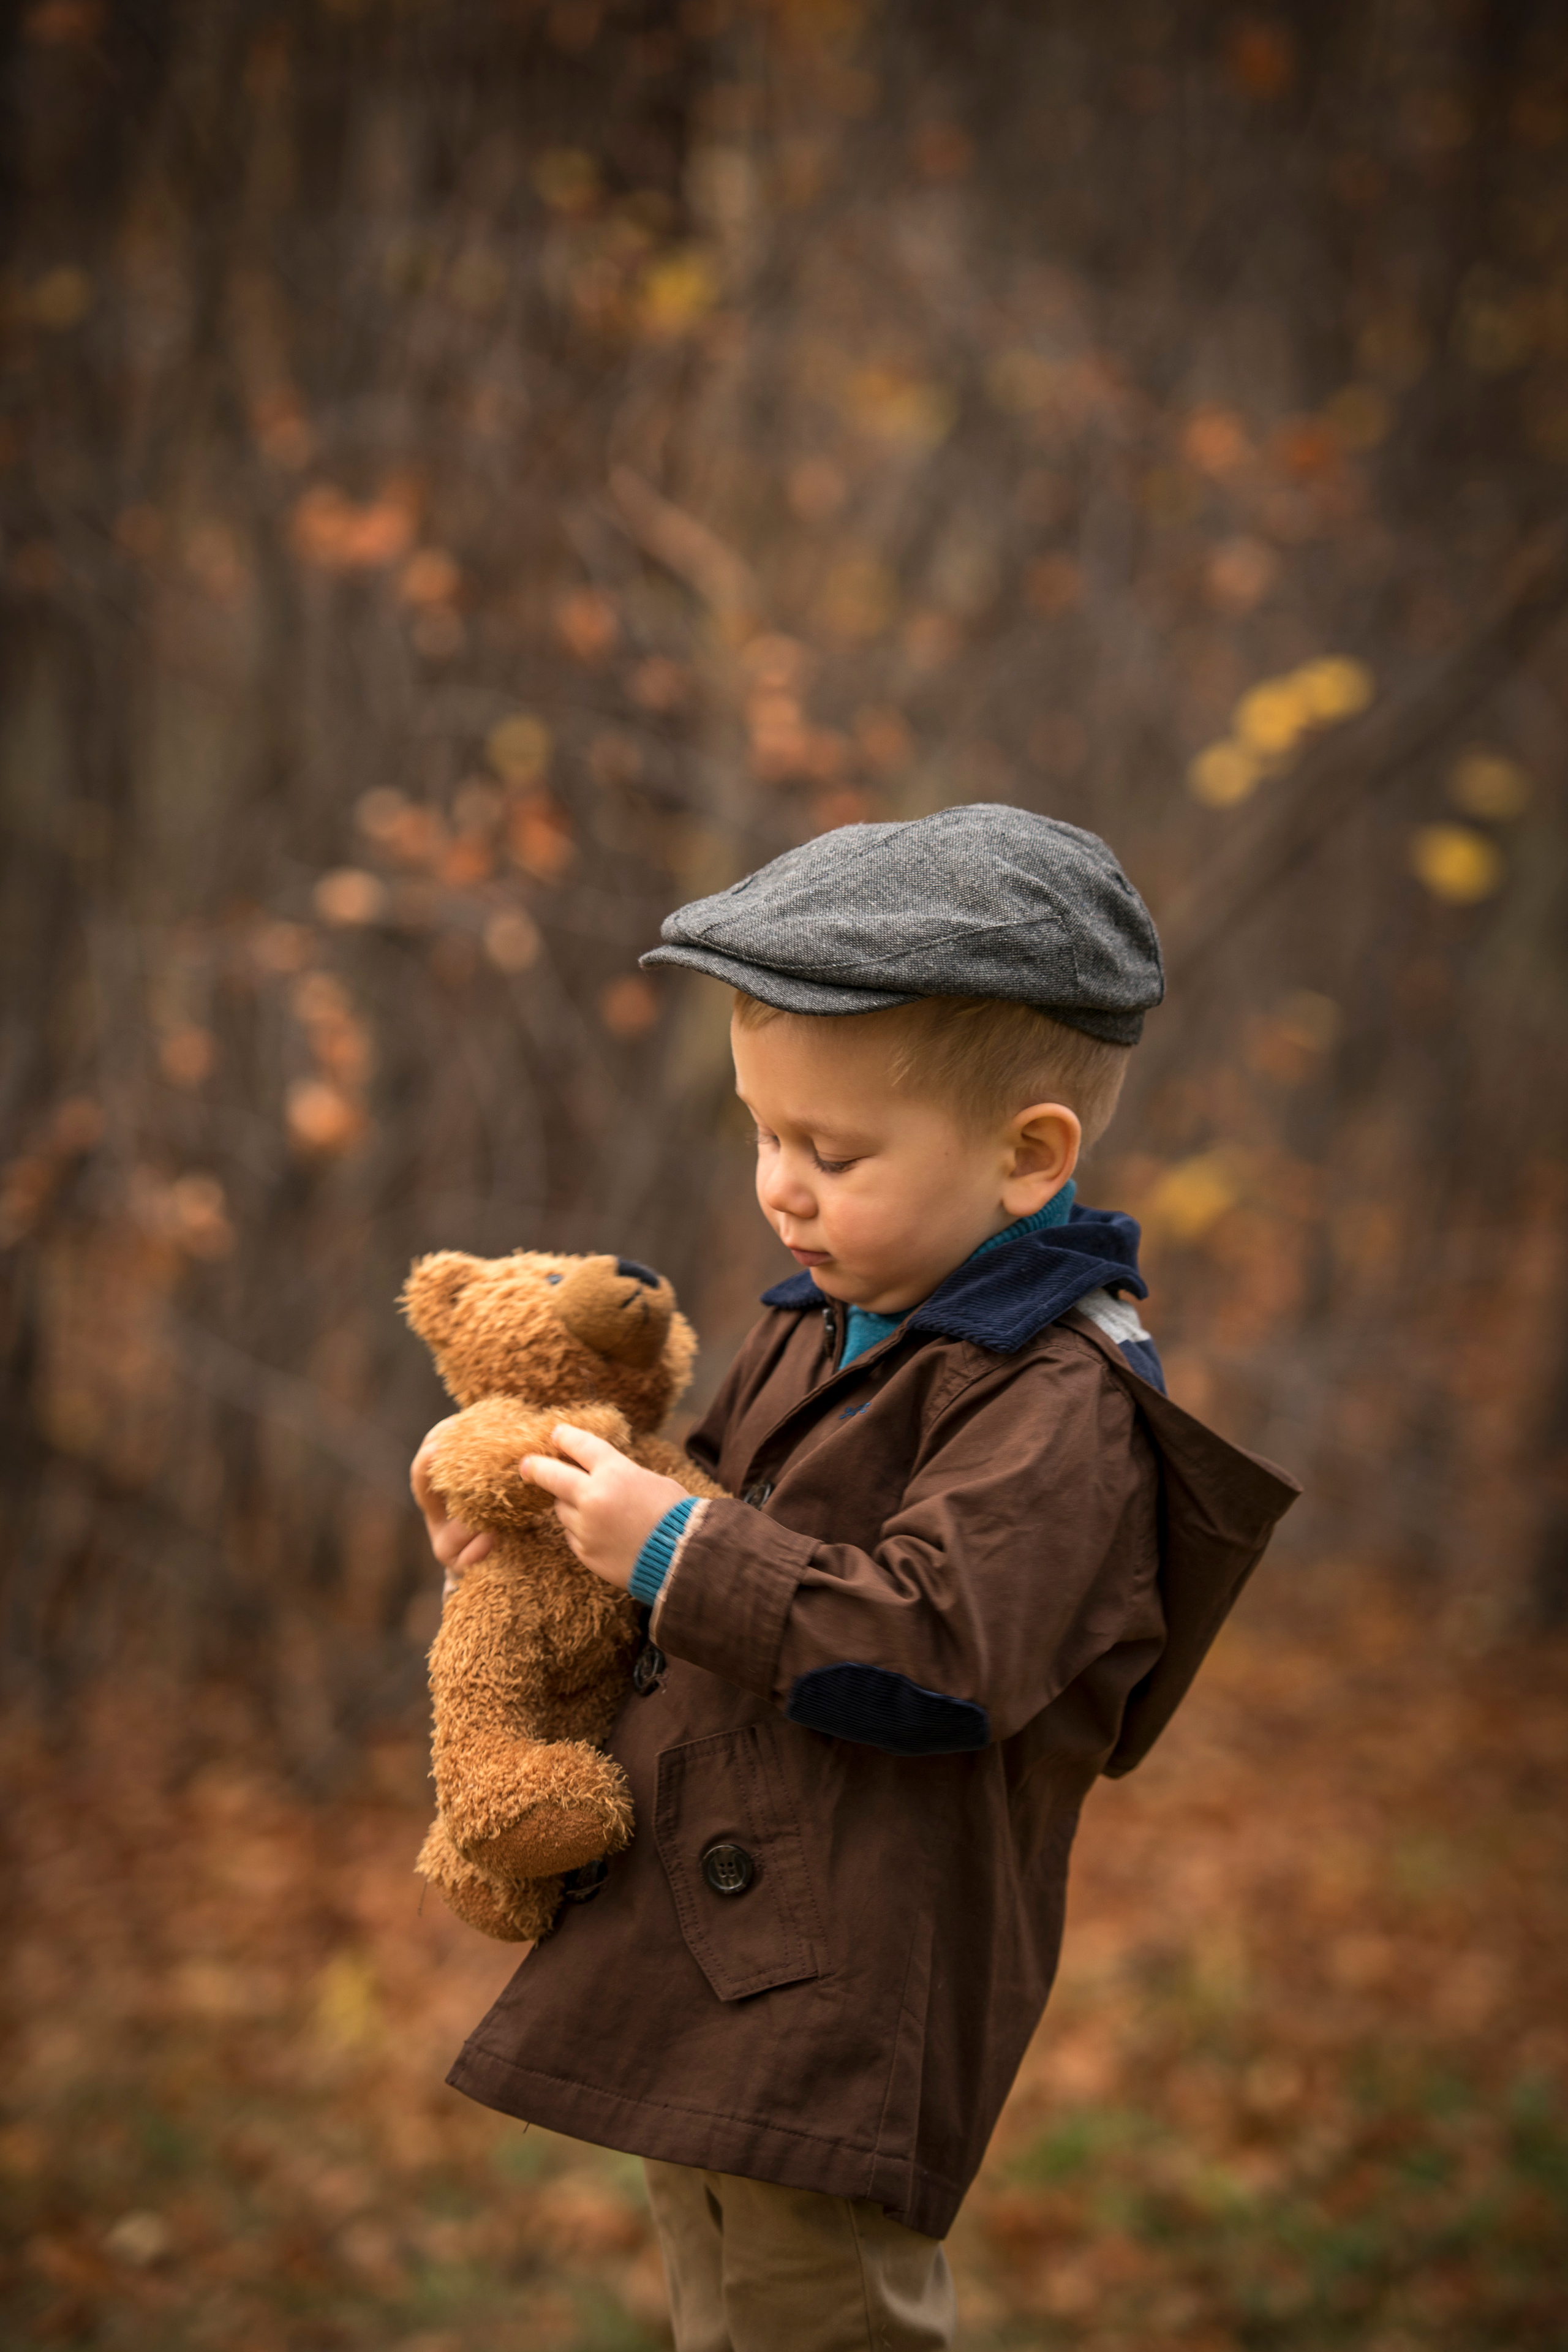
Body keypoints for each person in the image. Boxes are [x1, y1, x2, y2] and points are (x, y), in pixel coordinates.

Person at [412, 804, 1298, 2352]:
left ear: (1029, 1160)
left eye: (832, 1152)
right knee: (724, 2290)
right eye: (762, 1134)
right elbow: (702, 1506)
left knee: (822, 2316)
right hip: (727, 1932)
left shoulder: (1056, 1403)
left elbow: (942, 1648)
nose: (780, 1187)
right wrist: (558, 1514)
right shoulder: (830, 1309)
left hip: (844, 1971)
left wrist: (670, 1546)